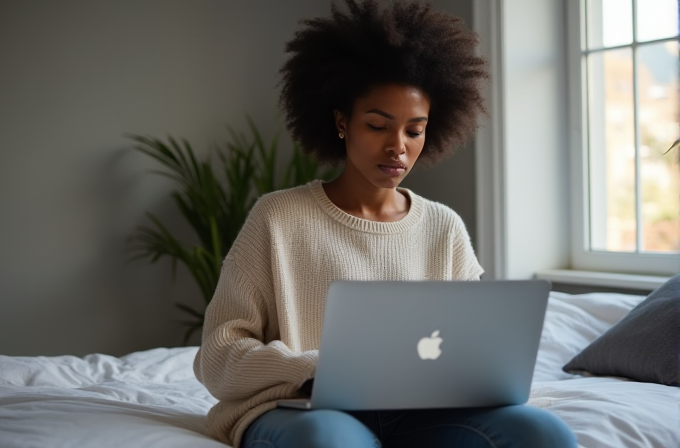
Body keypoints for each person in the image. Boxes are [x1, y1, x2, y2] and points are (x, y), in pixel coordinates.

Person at [193, 1, 578, 447]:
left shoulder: (443, 227)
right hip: (308, 409)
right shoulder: (279, 218)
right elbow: (217, 357)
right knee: (331, 441)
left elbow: (473, 349)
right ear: (342, 122)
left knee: (543, 433)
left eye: (415, 131)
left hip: (421, 414)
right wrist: (318, 368)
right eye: (378, 125)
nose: (398, 147)